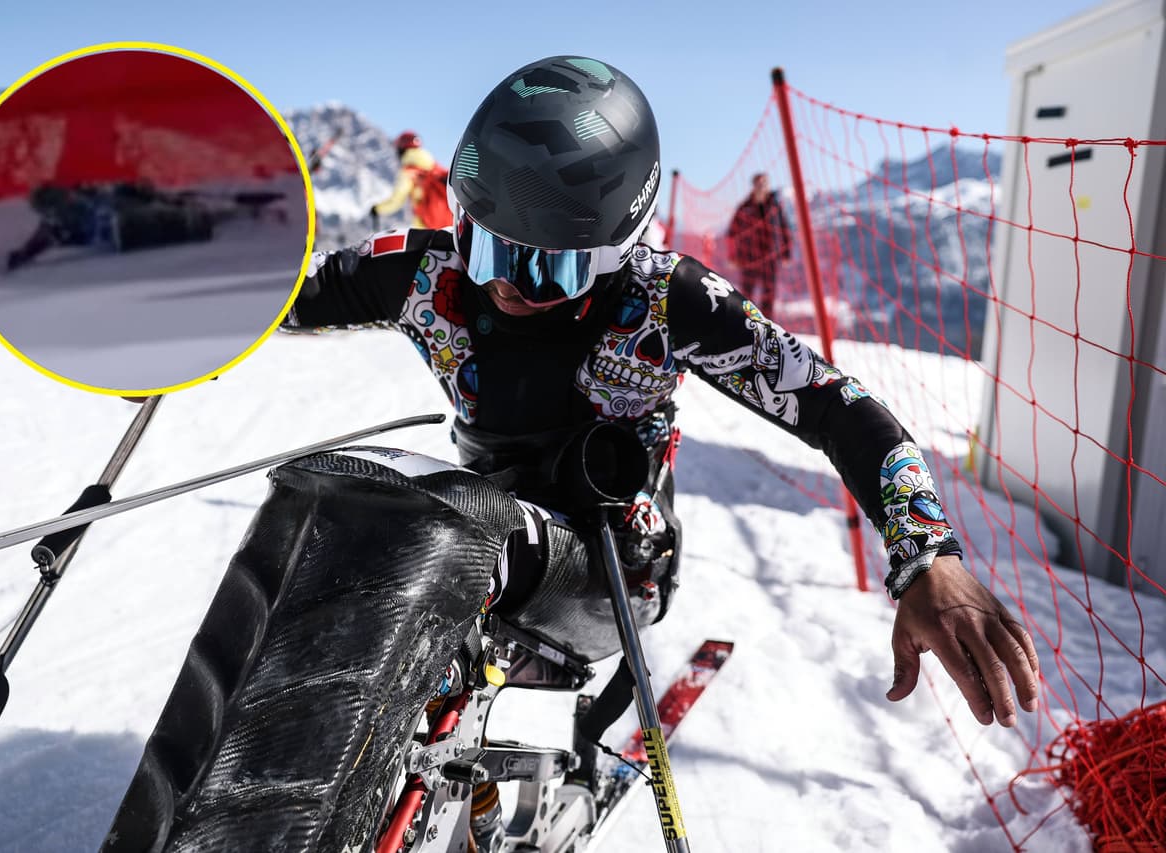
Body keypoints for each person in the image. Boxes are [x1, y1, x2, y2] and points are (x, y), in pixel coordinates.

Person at [283, 56, 1039, 741]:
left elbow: (834, 406)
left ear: (618, 253)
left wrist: (926, 553)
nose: (503, 282)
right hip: (480, 534)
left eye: (548, 270)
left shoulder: (664, 300)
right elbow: (277, 294)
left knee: (441, 533)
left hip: (613, 565)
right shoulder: (427, 272)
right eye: (483, 243)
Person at [727, 172, 791, 320]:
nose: (762, 187)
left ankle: (767, 328)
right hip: (748, 258)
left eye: (765, 184)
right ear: (754, 186)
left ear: (768, 186)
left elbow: (785, 229)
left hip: (770, 258)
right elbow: (732, 232)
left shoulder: (775, 207)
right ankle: (743, 323)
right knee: (746, 294)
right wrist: (732, 256)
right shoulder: (744, 207)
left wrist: (786, 253)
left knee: (769, 295)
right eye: (759, 184)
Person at [369, 130, 453, 229]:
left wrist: (377, 209)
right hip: (450, 223)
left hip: (430, 226)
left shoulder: (409, 172)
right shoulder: (434, 166)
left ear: (401, 150)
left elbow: (396, 201)